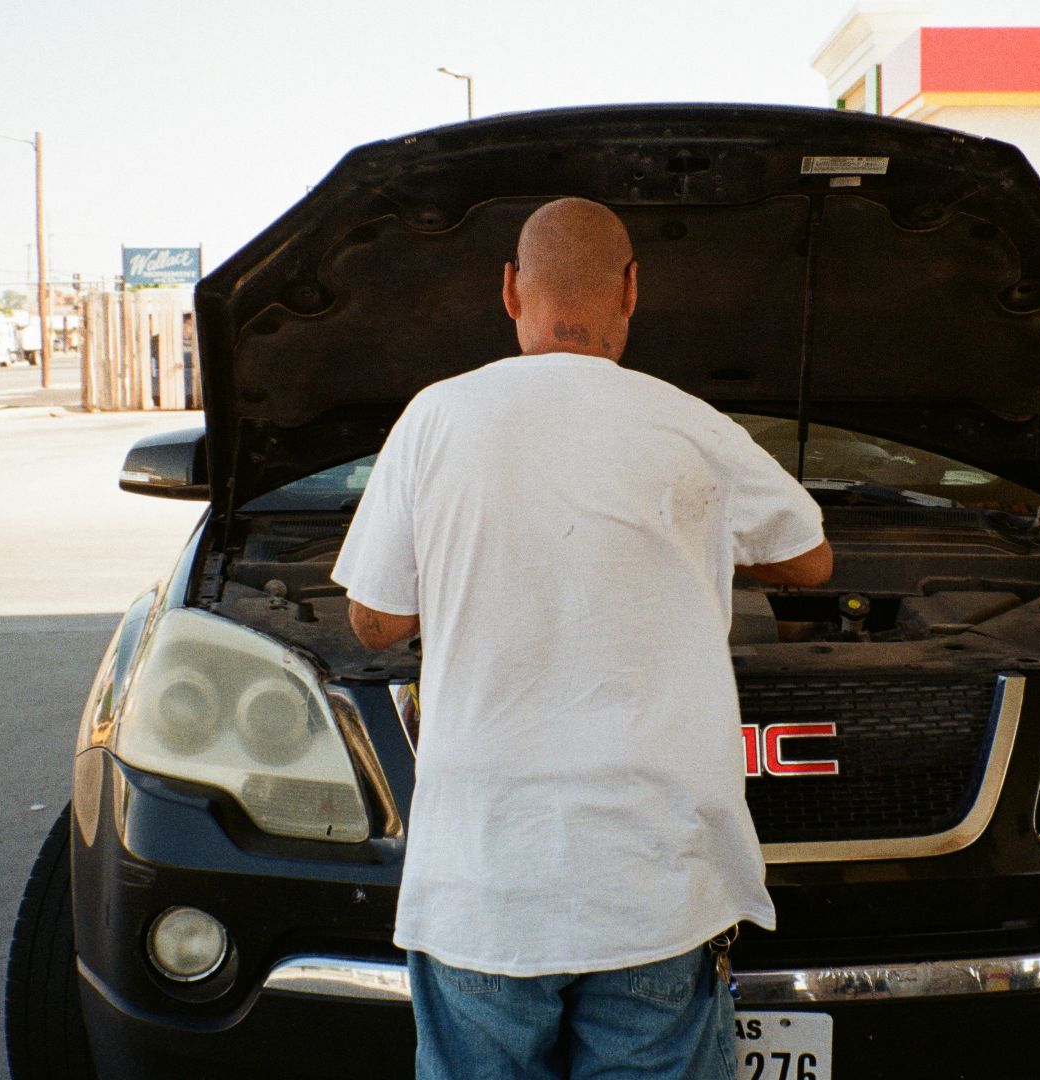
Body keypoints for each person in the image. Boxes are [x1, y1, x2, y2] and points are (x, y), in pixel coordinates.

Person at [331, 197, 834, 1080]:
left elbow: (376, 623)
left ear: (509, 289)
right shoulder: (688, 424)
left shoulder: (436, 418)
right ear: (632, 290)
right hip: (651, 882)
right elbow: (810, 560)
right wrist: (692, 537)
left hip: (487, 880)